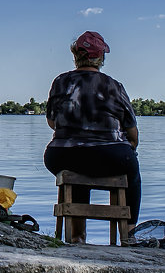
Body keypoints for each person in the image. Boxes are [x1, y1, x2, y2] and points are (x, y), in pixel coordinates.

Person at [43, 31, 141, 238]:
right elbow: (131, 129)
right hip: (110, 155)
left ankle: (77, 236)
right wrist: (131, 144)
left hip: (62, 154)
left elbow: (52, 121)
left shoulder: (61, 82)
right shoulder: (114, 85)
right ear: (101, 57)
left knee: (77, 167)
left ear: (75, 55)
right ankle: (130, 233)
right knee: (132, 172)